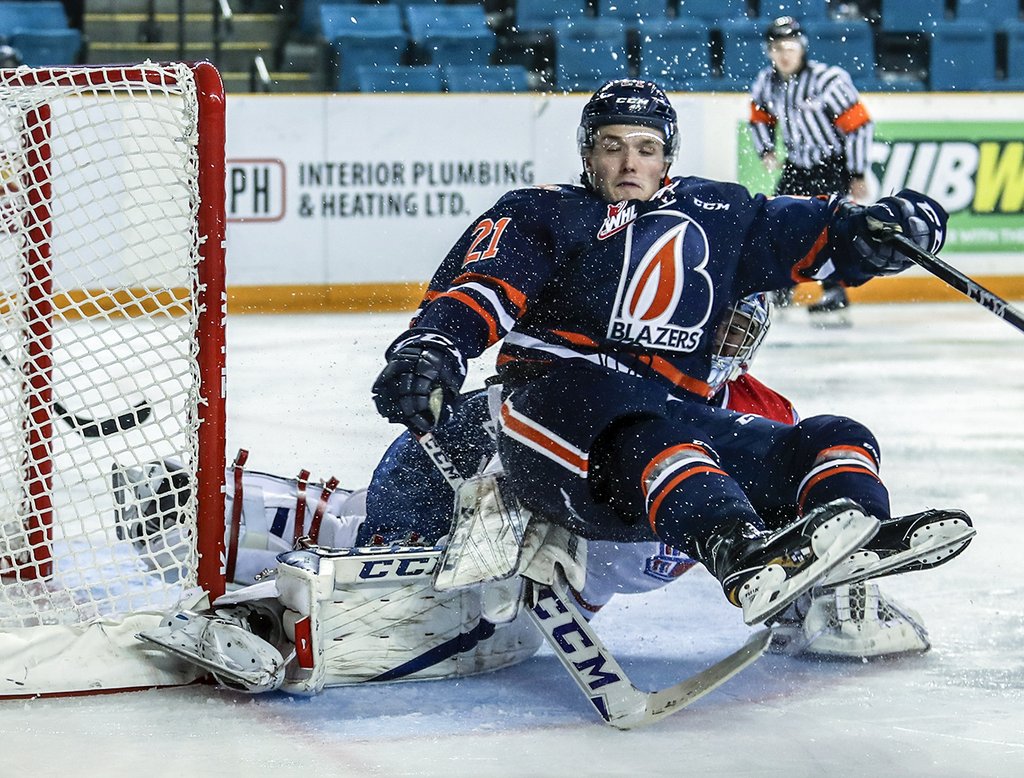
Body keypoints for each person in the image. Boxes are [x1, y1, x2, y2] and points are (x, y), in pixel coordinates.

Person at [119, 296, 953, 693]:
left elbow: (776, 554)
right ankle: (209, 535)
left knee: (433, 593)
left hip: (568, 577)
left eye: (737, 326)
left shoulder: (765, 418)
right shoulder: (619, 371)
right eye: (709, 323)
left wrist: (830, 593)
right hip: (512, 507)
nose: (717, 341)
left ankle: (230, 548)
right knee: (397, 553)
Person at [371, 78, 963, 633]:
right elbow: (483, 289)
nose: (630, 163)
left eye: (646, 148)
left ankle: (854, 545)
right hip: (556, 417)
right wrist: (434, 348)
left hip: (667, 434)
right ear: (588, 154)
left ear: (667, 158)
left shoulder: (723, 214)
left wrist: (898, 224)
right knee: (634, 422)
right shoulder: (543, 211)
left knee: (832, 436)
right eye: (612, 146)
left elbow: (824, 230)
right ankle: (736, 550)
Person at [747, 16, 876, 323]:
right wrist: (766, 149)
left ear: (802, 48)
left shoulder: (827, 80)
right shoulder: (767, 82)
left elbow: (859, 126)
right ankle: (781, 285)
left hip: (831, 165)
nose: (784, 54)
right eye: (777, 48)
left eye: (790, 47)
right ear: (769, 51)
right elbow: (759, 118)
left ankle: (835, 292)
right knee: (776, 222)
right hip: (797, 164)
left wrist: (857, 172)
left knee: (832, 229)